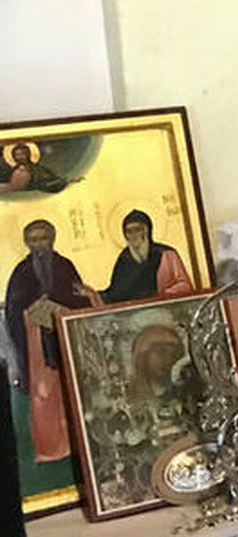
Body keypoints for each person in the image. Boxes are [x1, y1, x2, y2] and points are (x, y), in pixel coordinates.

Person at [4, 220, 96, 463]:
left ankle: (78, 443)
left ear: (52, 239)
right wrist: (30, 311)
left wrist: (66, 306)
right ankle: (52, 448)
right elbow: (13, 309)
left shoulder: (64, 266)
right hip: (36, 345)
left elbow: (79, 298)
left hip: (64, 340)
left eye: (43, 239)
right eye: (33, 240)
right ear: (27, 243)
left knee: (71, 390)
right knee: (44, 395)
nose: (39, 245)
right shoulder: (22, 272)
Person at [101, 210, 195, 304]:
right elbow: (115, 294)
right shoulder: (124, 259)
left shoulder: (167, 254)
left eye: (137, 230)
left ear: (146, 231)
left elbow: (185, 285)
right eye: (129, 232)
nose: (133, 235)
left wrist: (162, 295)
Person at [0, 142, 72, 195]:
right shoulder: (11, 170)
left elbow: (48, 179)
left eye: (23, 154)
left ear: (28, 154)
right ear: (13, 156)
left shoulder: (37, 169)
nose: (20, 157)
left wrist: (59, 181)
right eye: (17, 155)